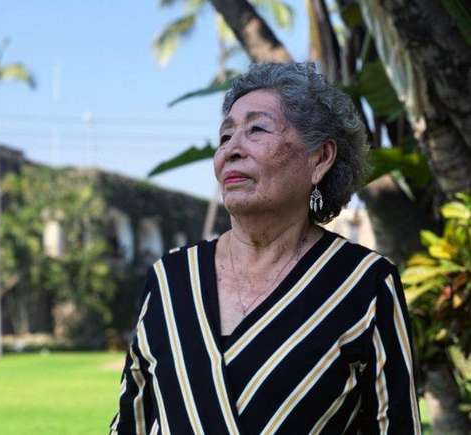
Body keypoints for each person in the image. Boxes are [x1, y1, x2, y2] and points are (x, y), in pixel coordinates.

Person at [109, 62, 420, 434]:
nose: (231, 150)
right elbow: (132, 422)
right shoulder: (171, 277)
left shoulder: (363, 284)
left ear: (320, 158)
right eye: (225, 137)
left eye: (257, 129)